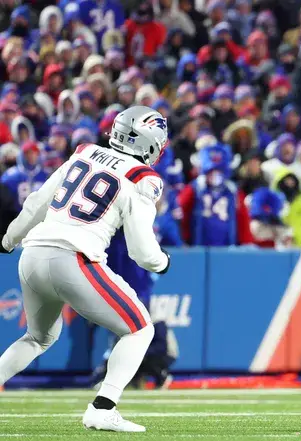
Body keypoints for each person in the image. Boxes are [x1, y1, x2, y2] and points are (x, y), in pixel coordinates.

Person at [0, 106, 171, 432]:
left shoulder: (85, 152)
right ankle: (103, 407)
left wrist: (8, 240)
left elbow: (37, 202)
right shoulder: (142, 177)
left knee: (37, 338)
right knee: (139, 329)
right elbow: (141, 250)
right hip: (74, 259)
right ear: (150, 143)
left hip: (32, 254)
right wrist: (162, 262)